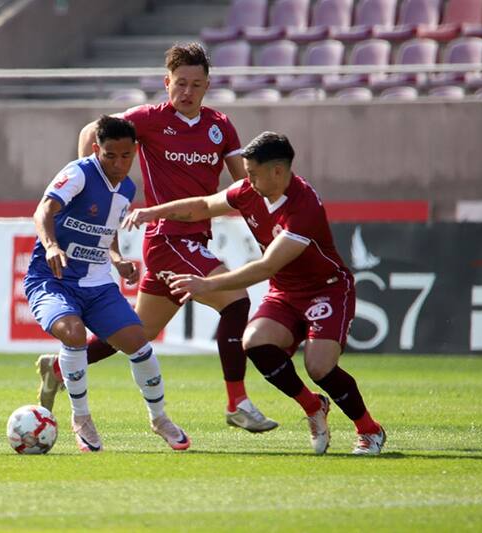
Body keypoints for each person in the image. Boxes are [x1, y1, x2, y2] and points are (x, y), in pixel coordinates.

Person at [36, 43, 277, 433]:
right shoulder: (147, 120)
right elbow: (90, 132)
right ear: (167, 83)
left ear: (207, 86)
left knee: (137, 333)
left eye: (196, 84)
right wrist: (90, 179)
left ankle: (58, 369)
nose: (187, 91)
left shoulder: (221, 126)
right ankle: (238, 402)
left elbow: (244, 188)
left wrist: (269, 233)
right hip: (168, 238)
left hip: (195, 237)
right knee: (236, 301)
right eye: (180, 83)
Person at [122, 131, 386, 455]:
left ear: (277, 171)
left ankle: (369, 430)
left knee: (319, 367)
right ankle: (313, 407)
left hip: (326, 291)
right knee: (255, 343)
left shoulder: (303, 208)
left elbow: (265, 266)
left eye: (253, 173)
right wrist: (155, 212)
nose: (247, 179)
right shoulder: (250, 190)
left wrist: (206, 284)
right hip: (285, 292)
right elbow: (205, 205)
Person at [25, 115, 189, 452]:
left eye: (125, 156)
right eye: (110, 155)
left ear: (135, 152)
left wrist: (116, 259)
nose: (118, 163)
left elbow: (107, 228)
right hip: (52, 279)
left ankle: (159, 418)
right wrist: (53, 245)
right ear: (97, 149)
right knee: (73, 334)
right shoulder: (78, 174)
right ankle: (81, 417)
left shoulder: (128, 188)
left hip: (97, 283)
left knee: (139, 343)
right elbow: (43, 211)